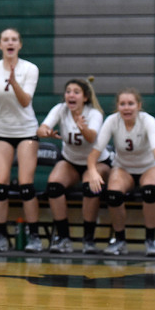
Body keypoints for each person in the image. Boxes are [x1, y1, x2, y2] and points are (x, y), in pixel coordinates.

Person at [86, 88, 155, 257]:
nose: (126, 108)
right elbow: (94, 154)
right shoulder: (112, 121)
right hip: (123, 167)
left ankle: (150, 240)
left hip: (149, 166)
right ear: (117, 107)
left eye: (130, 104)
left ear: (139, 106)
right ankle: (120, 240)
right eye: (122, 104)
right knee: (113, 194)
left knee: (150, 191)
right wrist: (92, 172)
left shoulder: (148, 121)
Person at [0, 28, 42, 253]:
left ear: (19, 45)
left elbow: (25, 102)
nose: (10, 42)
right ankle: (0, 234)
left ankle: (34, 235)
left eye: (14, 39)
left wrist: (14, 82)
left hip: (26, 131)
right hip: (2, 131)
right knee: (1, 185)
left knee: (26, 185)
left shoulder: (30, 69)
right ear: (0, 45)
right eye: (6, 39)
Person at [37, 78, 111, 254]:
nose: (71, 95)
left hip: (96, 163)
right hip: (70, 160)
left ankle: (88, 239)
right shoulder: (60, 109)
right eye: (68, 91)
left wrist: (82, 128)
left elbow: (92, 138)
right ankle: (64, 238)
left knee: (90, 188)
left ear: (85, 97)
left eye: (76, 92)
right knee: (54, 187)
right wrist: (46, 131)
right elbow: (40, 129)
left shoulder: (94, 114)